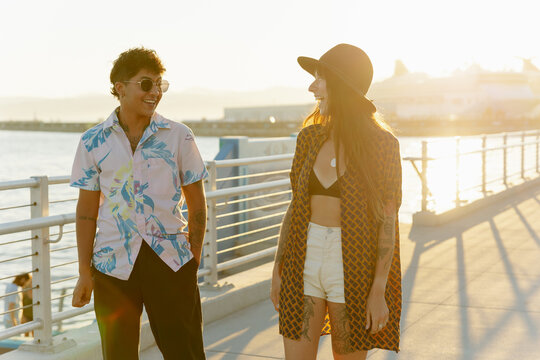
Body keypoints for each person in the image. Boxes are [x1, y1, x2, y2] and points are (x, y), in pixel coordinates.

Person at [70, 47, 208, 360]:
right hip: (112, 265)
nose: (155, 92)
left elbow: (197, 204)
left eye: (160, 85)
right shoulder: (92, 141)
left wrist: (193, 261)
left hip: (171, 260)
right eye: (147, 84)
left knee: (185, 353)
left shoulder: (179, 136)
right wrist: (84, 272)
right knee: (117, 355)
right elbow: (86, 212)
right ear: (120, 88)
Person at [270, 44, 402, 359]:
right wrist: (278, 267)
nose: (311, 87)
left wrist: (379, 290)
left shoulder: (383, 146)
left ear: (342, 86)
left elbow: (388, 220)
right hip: (303, 259)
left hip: (354, 265)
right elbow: (295, 207)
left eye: (320, 79)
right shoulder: (309, 139)